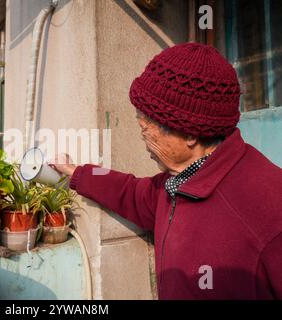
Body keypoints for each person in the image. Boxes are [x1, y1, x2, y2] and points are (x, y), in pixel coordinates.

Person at [51, 43, 282, 300]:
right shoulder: (177, 184)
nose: (143, 137)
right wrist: (76, 172)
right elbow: (131, 192)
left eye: (146, 126)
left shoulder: (269, 209)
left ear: (190, 133)